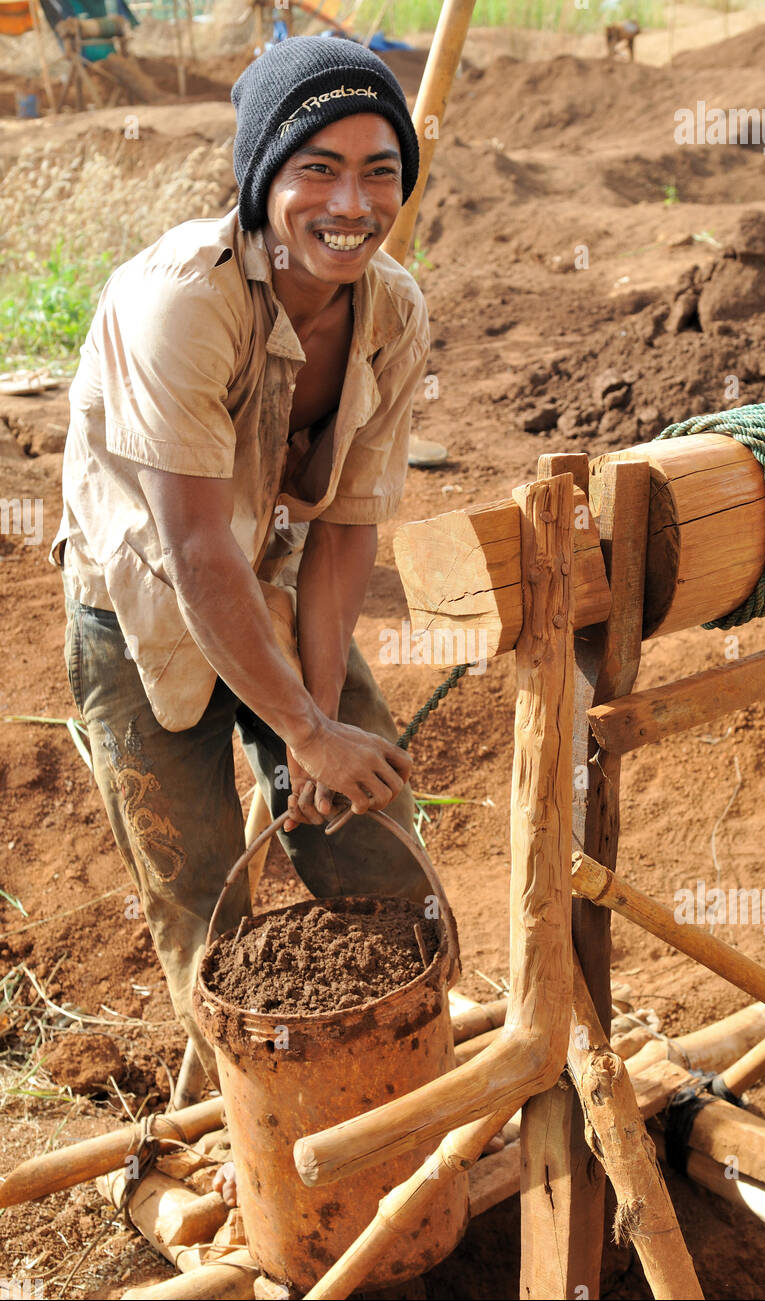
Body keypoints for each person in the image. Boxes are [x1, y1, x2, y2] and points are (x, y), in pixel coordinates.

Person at [50, 36, 434, 1118]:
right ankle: (254, 1132)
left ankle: (388, 1094)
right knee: (201, 899)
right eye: (316, 167)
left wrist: (313, 719)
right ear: (261, 173)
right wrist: (302, 730)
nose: (350, 202)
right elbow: (192, 550)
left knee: (375, 852)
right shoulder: (181, 299)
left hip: (263, 585)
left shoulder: (391, 312)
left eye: (379, 171)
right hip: (137, 608)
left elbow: (345, 530)